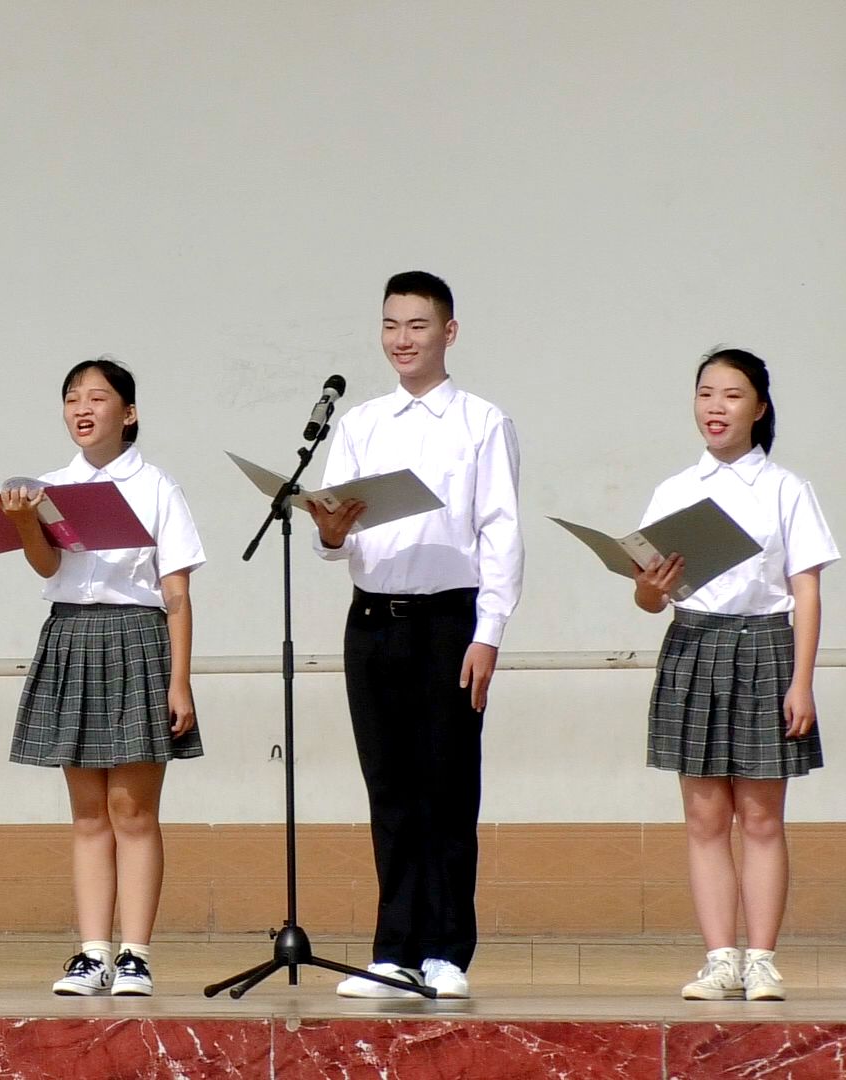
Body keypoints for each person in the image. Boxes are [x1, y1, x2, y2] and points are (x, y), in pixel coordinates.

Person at [307, 272, 523, 1000]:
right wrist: (331, 534)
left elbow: (501, 532)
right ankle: (393, 949)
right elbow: (335, 532)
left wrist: (488, 631)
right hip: (372, 620)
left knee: (448, 787)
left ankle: (446, 951)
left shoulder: (482, 422)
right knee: (390, 789)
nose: (402, 339)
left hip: (449, 621)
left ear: (449, 332)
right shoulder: (361, 422)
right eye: (391, 325)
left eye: (418, 326)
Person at [631, 348, 836, 1002]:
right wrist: (648, 586)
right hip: (692, 643)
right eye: (705, 394)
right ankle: (719, 958)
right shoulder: (674, 491)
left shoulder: (786, 488)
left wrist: (801, 681)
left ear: (760, 407)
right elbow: (648, 599)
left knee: (763, 817)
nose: (716, 408)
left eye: (732, 395)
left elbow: (806, 592)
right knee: (703, 816)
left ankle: (762, 961)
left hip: (765, 647)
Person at [1, 356, 204, 998]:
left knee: (133, 809)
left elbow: (176, 593)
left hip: (138, 639)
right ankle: (92, 952)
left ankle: (136, 954)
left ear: (129, 412)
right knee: (88, 812)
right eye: (71, 399)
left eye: (97, 397)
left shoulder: (157, 488)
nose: (82, 409)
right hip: (71, 635)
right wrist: (24, 522)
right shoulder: (47, 486)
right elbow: (45, 568)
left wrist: (180, 681)